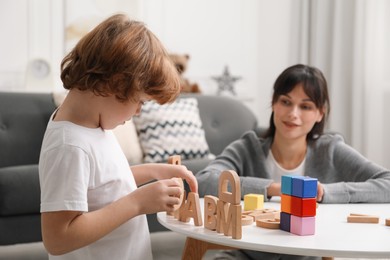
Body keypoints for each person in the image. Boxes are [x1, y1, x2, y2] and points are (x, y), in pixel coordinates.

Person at [39, 14, 197, 260]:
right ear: (116, 83)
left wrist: (152, 171)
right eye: (141, 101)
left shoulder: (93, 126)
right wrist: (137, 203)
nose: (138, 111)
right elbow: (58, 239)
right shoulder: (69, 145)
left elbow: (100, 187)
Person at [196, 64, 390, 260]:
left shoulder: (331, 150)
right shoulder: (247, 147)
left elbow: (387, 183)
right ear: (274, 103)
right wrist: (273, 189)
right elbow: (204, 181)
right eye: (286, 102)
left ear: (320, 113)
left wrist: (326, 192)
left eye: (305, 106)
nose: (293, 114)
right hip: (247, 255)